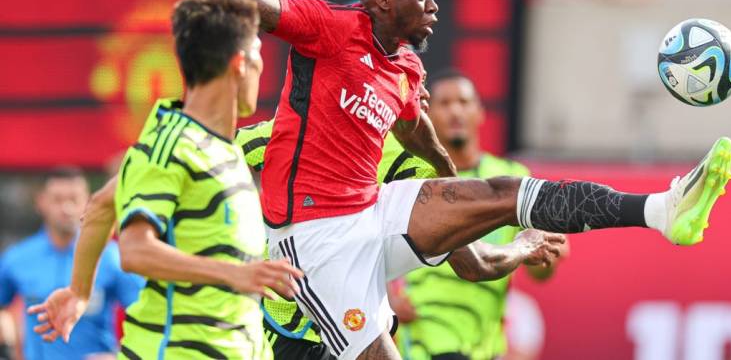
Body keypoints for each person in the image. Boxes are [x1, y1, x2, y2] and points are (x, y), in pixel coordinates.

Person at [98, 0, 731, 357]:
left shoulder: (405, 66)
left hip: (371, 211)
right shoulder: (327, 27)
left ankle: (660, 210)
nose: (434, 6)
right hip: (314, 241)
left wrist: (452, 183)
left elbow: (415, 129)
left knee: (505, 190)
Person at [30, 92, 564, 360]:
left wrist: (518, 249)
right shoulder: (249, 146)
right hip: (269, 334)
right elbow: (118, 228)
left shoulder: (411, 176)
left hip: (344, 332)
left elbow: (475, 262)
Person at [41, 0, 304, 360]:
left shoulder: (220, 146)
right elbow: (134, 249)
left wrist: (79, 292)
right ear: (240, 64)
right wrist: (234, 273)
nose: (263, 69)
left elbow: (101, 206)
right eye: (259, 57)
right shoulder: (171, 145)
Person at [392, 70, 569, 360]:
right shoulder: (411, 179)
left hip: (483, 346)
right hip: (423, 341)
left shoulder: (512, 179)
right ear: (428, 113)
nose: (455, 111)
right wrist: (387, 300)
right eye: (445, 103)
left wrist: (546, 255)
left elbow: (542, 270)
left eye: (463, 102)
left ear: (479, 113)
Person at [0, 167, 142, 360]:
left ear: (87, 201)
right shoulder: (17, 258)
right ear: (41, 202)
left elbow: (148, 314)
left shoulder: (111, 257)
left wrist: (118, 355)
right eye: (57, 200)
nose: (66, 208)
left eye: (74, 199)